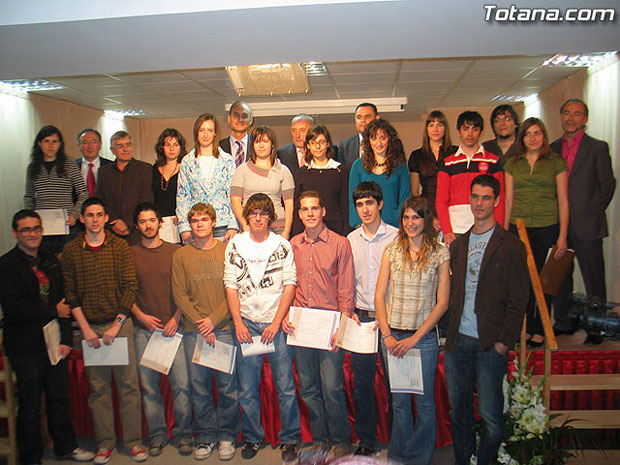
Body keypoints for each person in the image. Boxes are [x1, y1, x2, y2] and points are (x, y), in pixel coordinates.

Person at [444, 175, 529, 465]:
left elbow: (519, 300)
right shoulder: (459, 245)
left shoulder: (511, 246)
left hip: (490, 344)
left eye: (485, 198)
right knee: (459, 411)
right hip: (458, 344)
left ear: (496, 201)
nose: (479, 203)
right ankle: (462, 459)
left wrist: (505, 341)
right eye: (475, 197)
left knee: (492, 414)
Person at [0, 210, 94, 465]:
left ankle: (65, 446)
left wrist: (65, 339)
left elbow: (63, 301)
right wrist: (53, 311)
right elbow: (14, 307)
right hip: (26, 345)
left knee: (59, 398)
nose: (32, 234)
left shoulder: (50, 260)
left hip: (55, 343)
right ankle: (30, 458)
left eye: (36, 228)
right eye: (26, 230)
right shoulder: (7, 265)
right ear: (15, 233)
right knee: (30, 406)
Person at [60, 197, 145, 464]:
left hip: (119, 326)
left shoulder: (120, 246)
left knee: (129, 387)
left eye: (99, 215)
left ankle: (133, 442)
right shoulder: (71, 250)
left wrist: (116, 325)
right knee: (99, 390)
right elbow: (70, 293)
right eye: (89, 215)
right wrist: (85, 329)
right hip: (90, 329)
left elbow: (130, 286)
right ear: (82, 218)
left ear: (106, 218)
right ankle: (105, 443)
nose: (95, 219)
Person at [223, 194, 301, 462]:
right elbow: (230, 283)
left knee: (285, 386)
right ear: (247, 216)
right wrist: (237, 322)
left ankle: (290, 438)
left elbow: (290, 283)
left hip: (274, 326)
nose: (258, 218)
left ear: (270, 217)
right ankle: (254, 437)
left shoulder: (282, 245)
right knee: (247, 387)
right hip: (246, 326)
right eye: (253, 213)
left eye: (263, 213)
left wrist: (276, 322)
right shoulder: (236, 244)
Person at [374, 196, 450, 465]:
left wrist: (415, 339)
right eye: (406, 218)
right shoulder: (391, 251)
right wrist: (387, 335)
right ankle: (399, 457)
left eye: (416, 217)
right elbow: (379, 296)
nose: (410, 223)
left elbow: (442, 303)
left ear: (426, 220)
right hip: (393, 337)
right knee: (399, 403)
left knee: (425, 404)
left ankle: (419, 458)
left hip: (423, 339)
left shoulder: (440, 253)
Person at [287, 190, 355, 459]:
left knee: (332, 387)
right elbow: (288, 286)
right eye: (305, 209)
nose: (310, 213)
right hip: (302, 327)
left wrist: (344, 327)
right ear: (300, 214)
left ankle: (340, 440)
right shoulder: (293, 244)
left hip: (329, 326)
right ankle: (320, 439)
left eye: (315, 208)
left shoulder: (340, 244)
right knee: (309, 387)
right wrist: (285, 317)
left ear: (323, 211)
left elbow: (346, 289)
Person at [172, 202, 240, 461]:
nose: (199, 224)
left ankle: (227, 436)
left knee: (227, 387)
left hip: (223, 329)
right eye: (195, 220)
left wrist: (212, 320)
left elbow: (233, 290)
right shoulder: (180, 256)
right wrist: (201, 322)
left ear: (214, 222)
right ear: (190, 225)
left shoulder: (227, 250)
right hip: (193, 332)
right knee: (198, 387)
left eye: (204, 219)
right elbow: (179, 294)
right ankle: (206, 436)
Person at [129, 203, 192, 457]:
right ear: (137, 226)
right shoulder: (130, 253)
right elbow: (126, 290)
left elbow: (184, 290)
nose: (148, 225)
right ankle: (156, 435)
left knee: (182, 386)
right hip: (143, 330)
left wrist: (176, 318)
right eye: (143, 221)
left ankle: (184, 434)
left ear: (160, 223)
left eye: (152, 220)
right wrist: (140, 316)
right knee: (149, 388)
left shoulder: (175, 251)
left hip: (173, 330)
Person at [550, 99, 616, 336]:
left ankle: (596, 329)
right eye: (566, 113)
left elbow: (608, 185)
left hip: (588, 226)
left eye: (576, 114)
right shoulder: (552, 148)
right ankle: (564, 323)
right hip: (560, 227)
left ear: (585, 119)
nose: (570, 118)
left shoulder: (597, 147)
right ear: (561, 117)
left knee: (594, 280)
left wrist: (591, 209)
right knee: (561, 279)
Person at [504, 117, 568, 347]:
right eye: (528, 134)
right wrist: (504, 232)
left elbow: (563, 200)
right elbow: (509, 199)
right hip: (518, 227)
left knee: (544, 280)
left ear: (544, 136)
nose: (533, 138)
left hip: (547, 226)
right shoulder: (512, 164)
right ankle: (527, 328)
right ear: (522, 138)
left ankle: (541, 327)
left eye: (537, 133)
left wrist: (562, 236)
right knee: (523, 280)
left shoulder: (556, 163)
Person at [346, 182, 398, 456]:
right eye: (360, 204)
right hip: (362, 320)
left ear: (379, 204)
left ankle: (398, 439)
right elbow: (346, 281)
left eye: (369, 203)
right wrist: (350, 309)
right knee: (362, 385)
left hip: (389, 321)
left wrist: (388, 316)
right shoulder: (351, 240)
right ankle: (367, 440)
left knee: (395, 385)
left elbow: (401, 281)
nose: (365, 209)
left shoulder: (396, 237)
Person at [436, 111, 504, 246]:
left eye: (475, 129)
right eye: (465, 129)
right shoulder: (447, 164)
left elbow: (500, 199)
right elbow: (441, 201)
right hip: (454, 229)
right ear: (458, 131)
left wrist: (498, 230)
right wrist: (447, 230)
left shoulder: (493, 162)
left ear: (481, 132)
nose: (470, 134)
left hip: (485, 229)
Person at [24, 125, 88, 255]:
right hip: (42, 229)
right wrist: (31, 219)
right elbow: (29, 197)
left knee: (70, 265)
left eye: (54, 141)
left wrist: (74, 215)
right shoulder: (32, 168)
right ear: (39, 144)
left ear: (60, 144)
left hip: (67, 227)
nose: (50, 145)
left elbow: (83, 193)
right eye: (46, 141)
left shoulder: (69, 164)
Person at [176, 113, 237, 244]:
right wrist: (184, 227)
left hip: (222, 224)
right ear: (196, 132)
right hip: (196, 225)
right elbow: (182, 197)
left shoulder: (227, 160)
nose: (205, 135)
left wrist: (233, 225)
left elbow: (233, 195)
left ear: (215, 133)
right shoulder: (187, 162)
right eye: (202, 130)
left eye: (210, 130)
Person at [231, 125, 294, 238]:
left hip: (277, 228)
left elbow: (289, 204)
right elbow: (235, 200)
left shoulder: (283, 170)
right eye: (257, 142)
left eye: (265, 141)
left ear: (272, 144)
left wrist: (286, 231)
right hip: (250, 228)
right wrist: (245, 226)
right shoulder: (242, 170)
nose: (261, 145)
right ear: (252, 146)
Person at [349, 118, 411, 229]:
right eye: (374, 138)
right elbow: (351, 199)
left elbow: (404, 198)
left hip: (394, 226)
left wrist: (397, 221)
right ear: (368, 140)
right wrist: (358, 223)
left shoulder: (400, 166)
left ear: (389, 140)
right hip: (365, 226)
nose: (379, 143)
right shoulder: (358, 166)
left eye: (383, 138)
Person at [96, 130, 153, 245]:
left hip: (136, 229)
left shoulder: (144, 169)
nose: (125, 149)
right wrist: (114, 223)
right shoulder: (104, 171)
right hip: (111, 229)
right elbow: (100, 201)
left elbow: (147, 200)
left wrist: (128, 223)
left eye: (128, 145)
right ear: (112, 150)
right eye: (120, 146)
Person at [292, 125, 349, 236]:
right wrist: (296, 234)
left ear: (328, 144)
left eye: (321, 142)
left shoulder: (340, 171)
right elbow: (297, 207)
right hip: (308, 231)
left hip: (335, 230)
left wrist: (346, 233)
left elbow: (345, 205)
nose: (317, 146)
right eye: (313, 143)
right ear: (308, 146)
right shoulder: (302, 172)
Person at [408, 110, 458, 217]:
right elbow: (414, 192)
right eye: (431, 125)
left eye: (439, 125)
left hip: (452, 210)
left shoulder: (456, 153)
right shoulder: (417, 155)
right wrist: (426, 215)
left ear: (445, 128)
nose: (435, 129)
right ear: (426, 129)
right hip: (427, 210)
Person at [151, 128, 187, 219]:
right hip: (158, 220)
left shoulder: (186, 169)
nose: (171, 149)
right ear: (161, 147)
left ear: (181, 147)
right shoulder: (154, 169)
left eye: (175, 145)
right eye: (167, 145)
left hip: (179, 219)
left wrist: (182, 216)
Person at [337, 103, 380, 169]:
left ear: (377, 118)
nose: (363, 120)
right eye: (359, 117)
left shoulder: (387, 143)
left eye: (367, 116)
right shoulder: (345, 146)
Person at [76, 128, 112, 197]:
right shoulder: (72, 167)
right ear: (79, 145)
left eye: (93, 142)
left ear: (100, 144)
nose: (90, 146)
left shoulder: (111, 166)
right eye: (85, 142)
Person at [219, 101, 254, 167]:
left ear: (251, 120)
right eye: (236, 115)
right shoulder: (218, 148)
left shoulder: (258, 146)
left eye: (244, 116)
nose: (240, 119)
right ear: (229, 119)